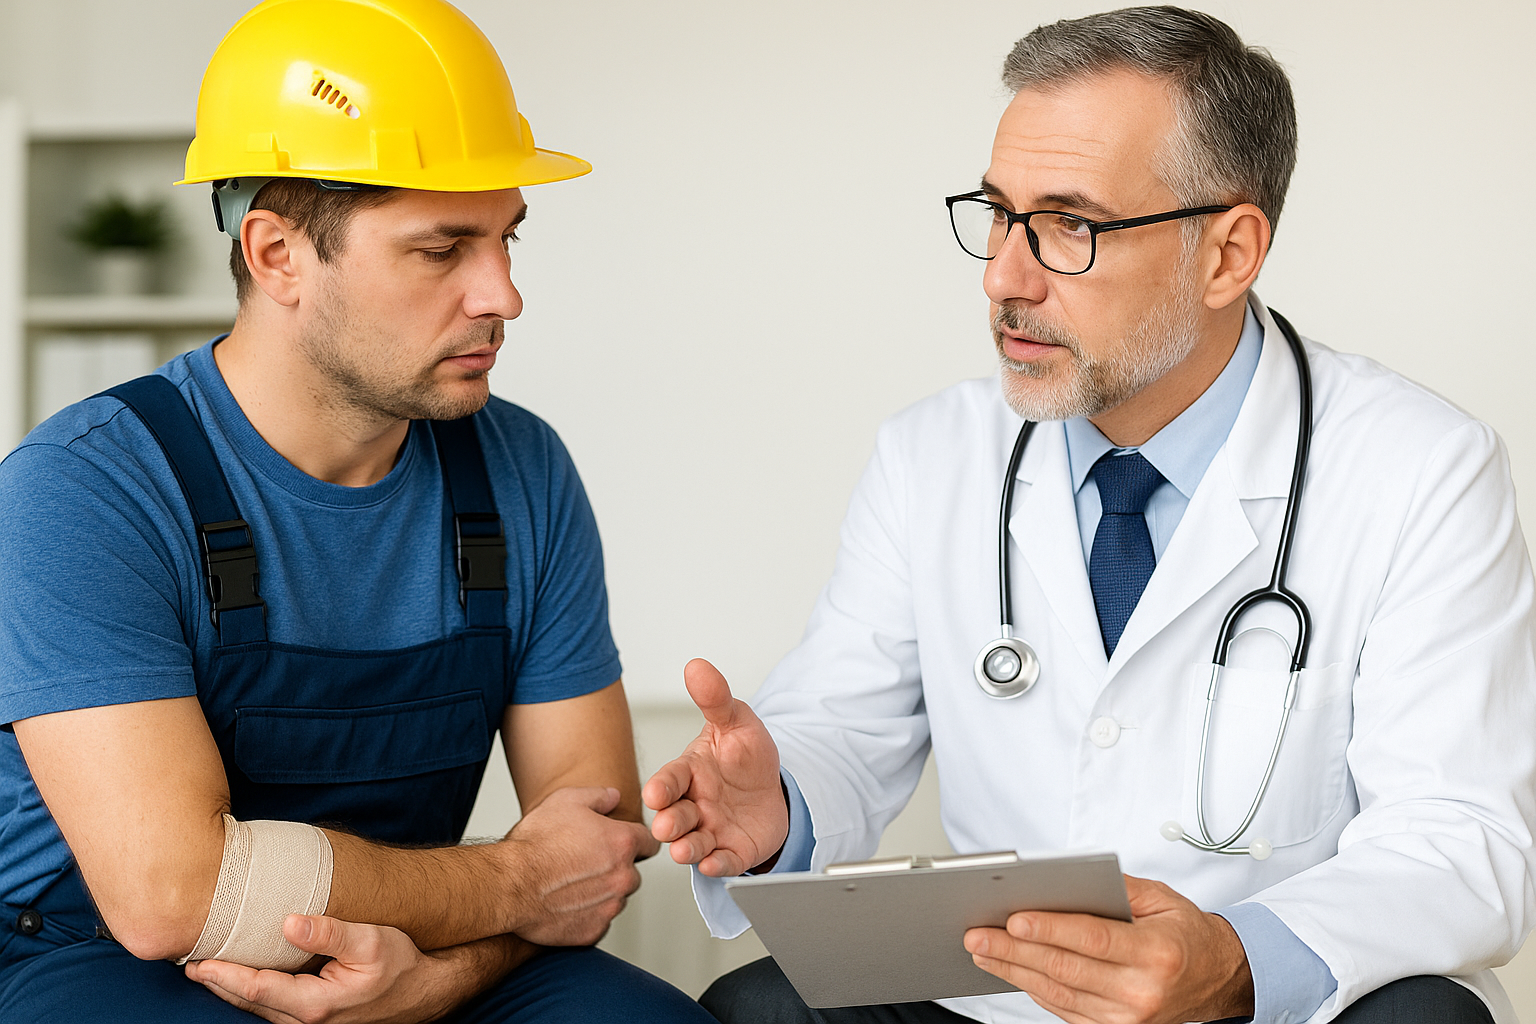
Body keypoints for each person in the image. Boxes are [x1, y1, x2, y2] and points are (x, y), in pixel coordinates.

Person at [645, 7, 1536, 1024]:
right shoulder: (931, 454)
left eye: (1071, 224)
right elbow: (844, 724)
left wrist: (1231, 956)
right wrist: (780, 802)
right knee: (754, 1010)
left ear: (1229, 253)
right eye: (998, 214)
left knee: (1429, 1018)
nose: (1003, 278)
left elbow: (1462, 840)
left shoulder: (1421, 469)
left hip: (1264, 1003)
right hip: (999, 998)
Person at [0, 1, 717, 1021]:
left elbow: (588, 850)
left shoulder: (520, 467)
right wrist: (507, 885)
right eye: (443, 249)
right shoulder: (84, 487)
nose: (504, 294)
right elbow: (173, 897)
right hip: (109, 965)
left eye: (509, 238)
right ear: (277, 253)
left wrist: (438, 980)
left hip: (435, 947)